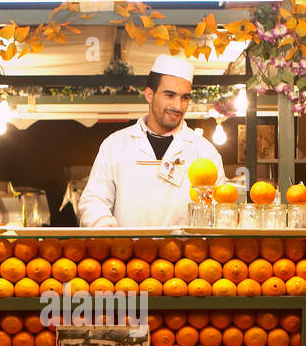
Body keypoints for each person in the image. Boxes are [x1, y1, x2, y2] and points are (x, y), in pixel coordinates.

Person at [78, 54, 225, 227]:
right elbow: (94, 200)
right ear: (149, 95)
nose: (178, 106)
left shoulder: (204, 151)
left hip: (185, 252)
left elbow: (220, 208)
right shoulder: (115, 145)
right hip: (128, 251)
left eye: (184, 97)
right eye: (169, 95)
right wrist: (109, 232)